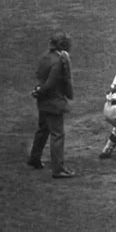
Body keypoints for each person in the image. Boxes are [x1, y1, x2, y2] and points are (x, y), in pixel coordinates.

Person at [27, 32, 75, 178]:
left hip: (43, 101)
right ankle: (58, 169)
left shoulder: (45, 56)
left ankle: (34, 158)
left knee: (43, 130)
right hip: (54, 101)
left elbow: (39, 75)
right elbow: (51, 83)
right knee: (57, 134)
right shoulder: (59, 60)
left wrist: (38, 91)